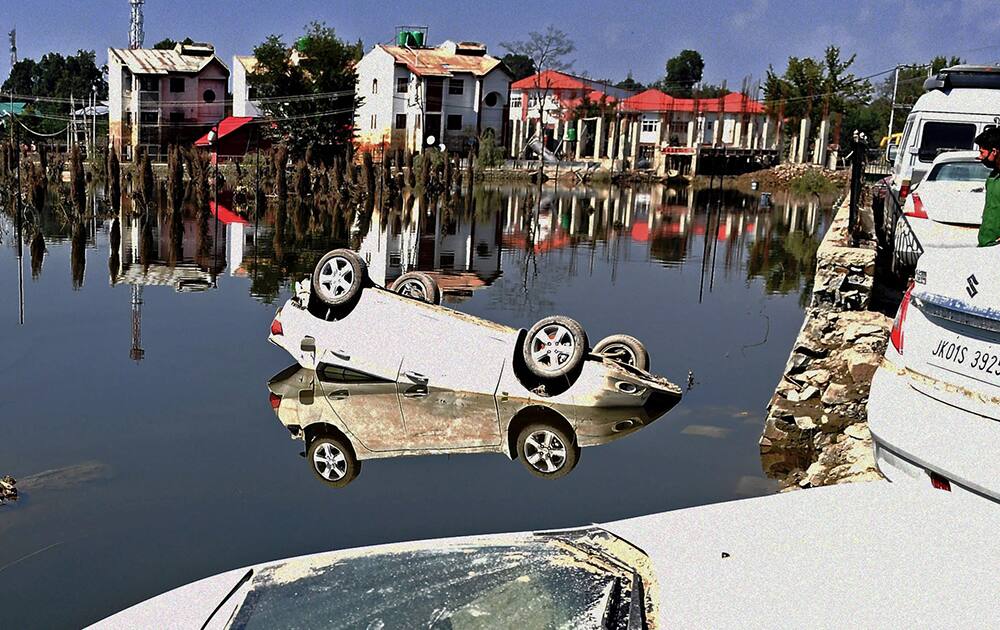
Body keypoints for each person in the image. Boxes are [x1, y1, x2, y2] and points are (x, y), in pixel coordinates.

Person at [975, 126, 1000, 247]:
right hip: (986, 243)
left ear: (994, 152)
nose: (980, 157)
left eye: (982, 152)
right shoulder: (993, 176)